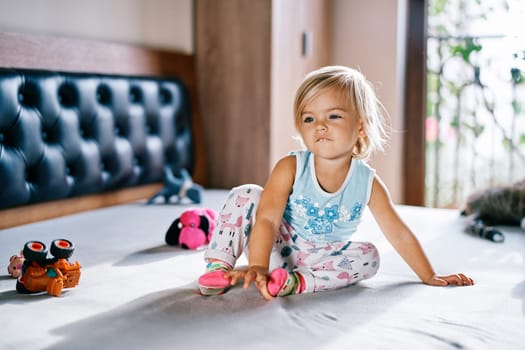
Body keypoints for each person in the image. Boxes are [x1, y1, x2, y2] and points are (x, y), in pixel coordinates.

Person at [198, 66, 474, 300]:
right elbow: (268, 219)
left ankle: (296, 283)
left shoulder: (367, 182)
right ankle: (219, 266)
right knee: (247, 193)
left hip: (320, 261)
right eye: (309, 118)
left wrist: (430, 275)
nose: (320, 125)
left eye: (333, 116)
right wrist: (258, 264)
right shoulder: (291, 167)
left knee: (369, 256)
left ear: (361, 127)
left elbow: (398, 233)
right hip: (271, 247)